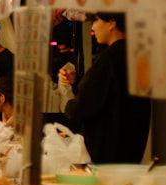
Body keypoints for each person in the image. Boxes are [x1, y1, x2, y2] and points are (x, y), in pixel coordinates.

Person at [57, 12, 151, 164]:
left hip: (106, 155)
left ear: (112, 23)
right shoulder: (138, 56)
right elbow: (111, 92)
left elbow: (82, 106)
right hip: (133, 151)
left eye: (96, 20)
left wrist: (69, 103)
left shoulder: (109, 58)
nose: (93, 27)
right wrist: (77, 81)